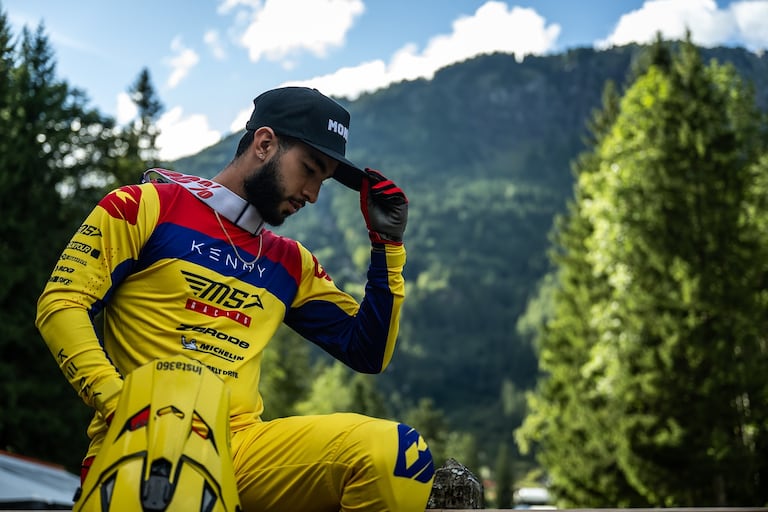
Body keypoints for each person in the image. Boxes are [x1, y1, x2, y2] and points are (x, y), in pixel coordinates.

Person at [35, 86, 434, 510]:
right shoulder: (143, 206)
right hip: (141, 439)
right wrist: (120, 404)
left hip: (241, 450)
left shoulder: (290, 262)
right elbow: (61, 304)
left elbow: (368, 352)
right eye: (309, 170)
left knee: (397, 456)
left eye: (323, 180)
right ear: (264, 144)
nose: (313, 194)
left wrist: (387, 247)